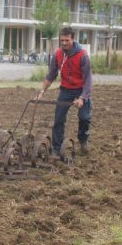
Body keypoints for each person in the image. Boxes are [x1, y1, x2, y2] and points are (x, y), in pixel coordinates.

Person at [36, 26, 92, 157]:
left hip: (81, 89)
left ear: (73, 39)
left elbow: (88, 80)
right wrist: (42, 91)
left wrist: (83, 98)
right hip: (66, 89)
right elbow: (51, 75)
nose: (64, 43)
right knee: (58, 119)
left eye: (67, 40)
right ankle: (56, 148)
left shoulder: (82, 55)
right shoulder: (58, 54)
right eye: (62, 40)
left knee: (84, 118)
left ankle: (83, 141)